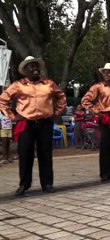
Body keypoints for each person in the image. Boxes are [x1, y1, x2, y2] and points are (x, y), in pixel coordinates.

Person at [0, 56, 66, 196]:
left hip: (45, 123)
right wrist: (13, 116)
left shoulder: (49, 84)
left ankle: (47, 183)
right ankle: (24, 184)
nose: (35, 68)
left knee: (45, 154)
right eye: (31, 66)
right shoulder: (18, 85)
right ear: (25, 70)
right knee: (25, 154)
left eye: (36, 66)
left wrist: (57, 112)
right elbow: (3, 100)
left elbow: (61, 96)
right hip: (26, 124)